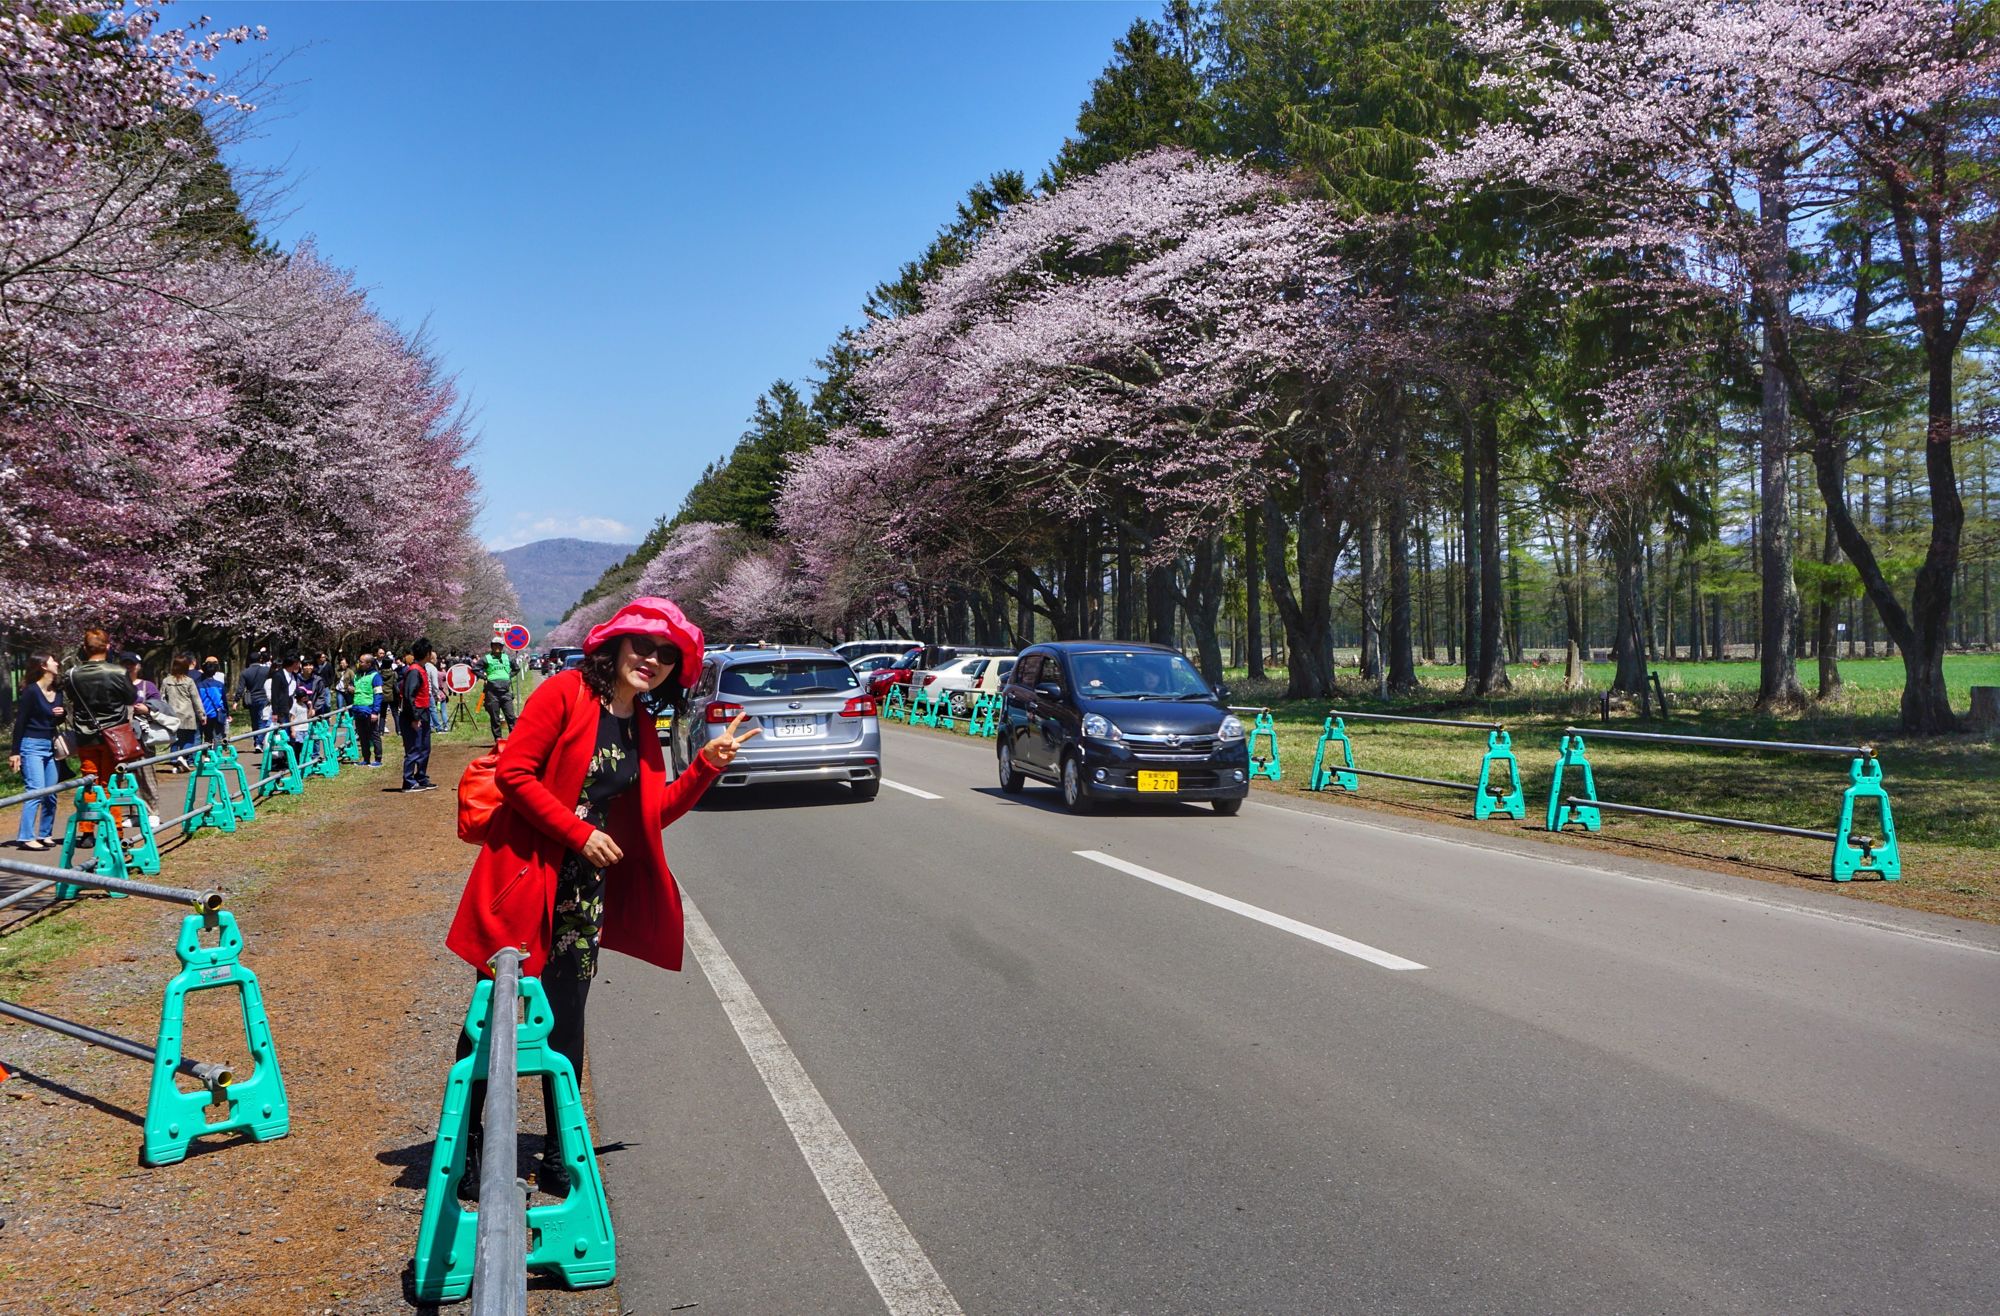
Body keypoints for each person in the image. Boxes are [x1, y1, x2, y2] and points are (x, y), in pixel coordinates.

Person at [445, 598, 754, 1196]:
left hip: (582, 896)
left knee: (568, 1017)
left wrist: (704, 770)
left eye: (667, 654)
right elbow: (515, 775)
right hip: (526, 878)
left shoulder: (639, 722)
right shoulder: (563, 693)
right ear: (612, 646)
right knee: (492, 1015)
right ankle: (472, 1142)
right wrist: (580, 833)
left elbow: (647, 815)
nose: (652, 660)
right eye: (643, 645)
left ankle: (560, 1148)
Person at [61, 627, 138, 847]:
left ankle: (86, 831)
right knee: (111, 782)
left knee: (89, 782)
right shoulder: (117, 672)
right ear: (108, 646)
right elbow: (131, 697)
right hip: (114, 735)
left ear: (85, 648)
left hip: (85, 736)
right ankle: (115, 829)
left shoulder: (72, 674)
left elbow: (71, 697)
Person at [9, 653, 65, 850]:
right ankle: (26, 837)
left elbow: (55, 719)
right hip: (31, 745)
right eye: (52, 661)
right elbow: (21, 722)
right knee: (36, 791)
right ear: (43, 666)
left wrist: (61, 714)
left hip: (50, 745)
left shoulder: (57, 691)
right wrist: (15, 752)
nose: (57, 663)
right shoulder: (31, 692)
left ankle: (45, 834)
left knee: (51, 792)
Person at [399, 640, 437, 792]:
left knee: (424, 747)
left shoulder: (421, 669)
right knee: (414, 748)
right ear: (427, 654)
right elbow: (409, 696)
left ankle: (420, 777)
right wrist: (415, 718)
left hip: (424, 712)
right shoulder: (414, 671)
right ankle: (408, 782)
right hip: (414, 714)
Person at [160, 654, 202, 770]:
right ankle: (183, 756)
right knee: (189, 739)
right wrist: (202, 715)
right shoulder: (189, 681)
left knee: (174, 738)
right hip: (187, 714)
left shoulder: (166, 681)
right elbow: (196, 699)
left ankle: (174, 759)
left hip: (171, 713)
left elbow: (161, 698)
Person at [480, 637, 518, 743]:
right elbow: (475, 669)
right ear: (492, 646)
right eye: (495, 645)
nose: (497, 647)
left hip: (506, 692)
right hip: (492, 693)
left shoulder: (508, 658)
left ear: (502, 647)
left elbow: (516, 668)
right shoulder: (486, 659)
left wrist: (509, 676)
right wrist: (484, 677)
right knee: (495, 717)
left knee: (510, 716)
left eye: (499, 645)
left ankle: (514, 738)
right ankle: (498, 738)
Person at [349, 654, 385, 767]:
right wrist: (351, 689)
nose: (359, 663)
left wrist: (375, 712)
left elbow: (378, 694)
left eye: (361, 661)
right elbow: (354, 688)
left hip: (369, 710)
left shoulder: (375, 676)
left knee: (374, 735)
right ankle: (366, 759)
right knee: (362, 735)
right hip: (358, 710)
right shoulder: (357, 675)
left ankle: (378, 759)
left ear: (369, 664)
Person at [240, 648, 272, 750]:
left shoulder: (245, 672)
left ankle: (256, 741)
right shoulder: (267, 670)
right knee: (262, 720)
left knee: (254, 721)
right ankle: (259, 742)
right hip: (264, 697)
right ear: (260, 659)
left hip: (252, 699)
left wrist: (236, 700)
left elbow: (240, 688)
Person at [197, 658, 229, 745]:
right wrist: (227, 714)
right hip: (217, 713)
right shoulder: (220, 685)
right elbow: (224, 700)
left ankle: (207, 755)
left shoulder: (199, 686)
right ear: (215, 672)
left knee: (207, 736)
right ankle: (217, 755)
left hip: (205, 713)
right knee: (217, 736)